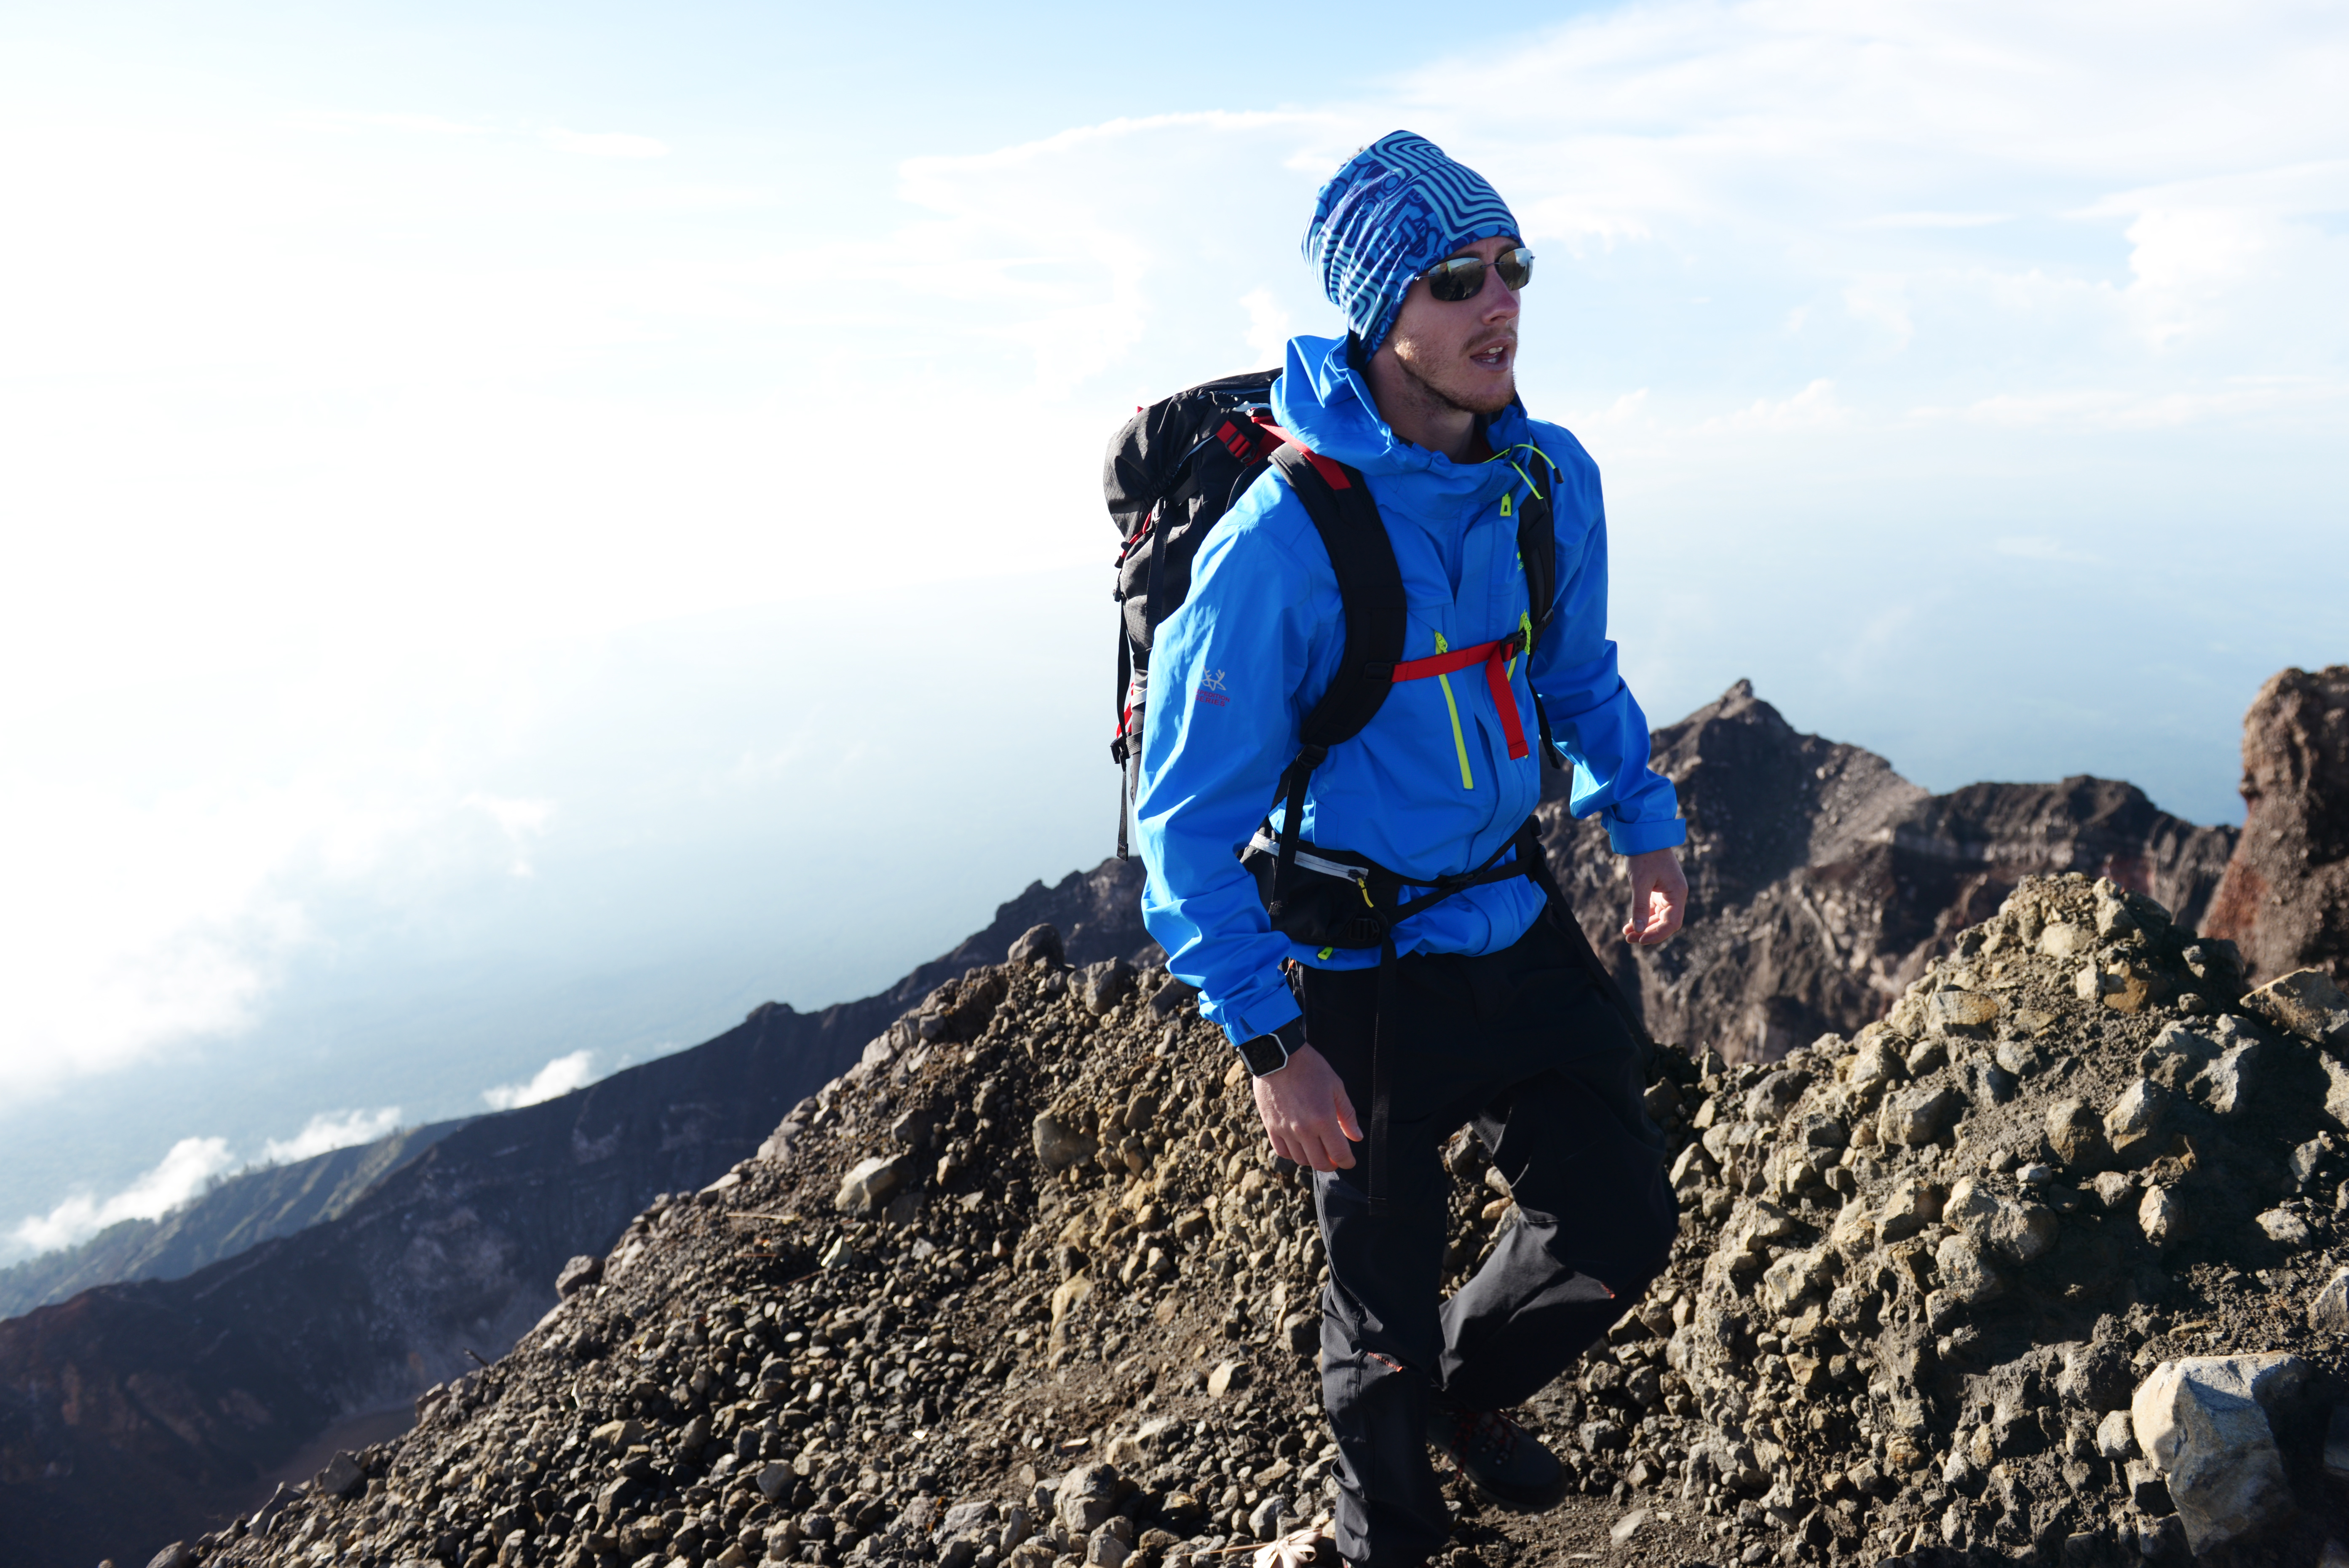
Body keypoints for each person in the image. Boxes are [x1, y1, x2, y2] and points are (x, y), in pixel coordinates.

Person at [1130, 131, 1689, 1568]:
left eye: (1512, 268)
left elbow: (1577, 675)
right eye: (1454, 280)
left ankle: (1465, 1391)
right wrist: (1272, 1044)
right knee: (1373, 1320)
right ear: (1384, 317)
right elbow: (1181, 827)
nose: (1497, 301)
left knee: (1619, 1213)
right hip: (1355, 966)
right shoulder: (1279, 549)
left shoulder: (1546, 482)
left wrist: (1644, 820)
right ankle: (1387, 1530)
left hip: (1512, 910)